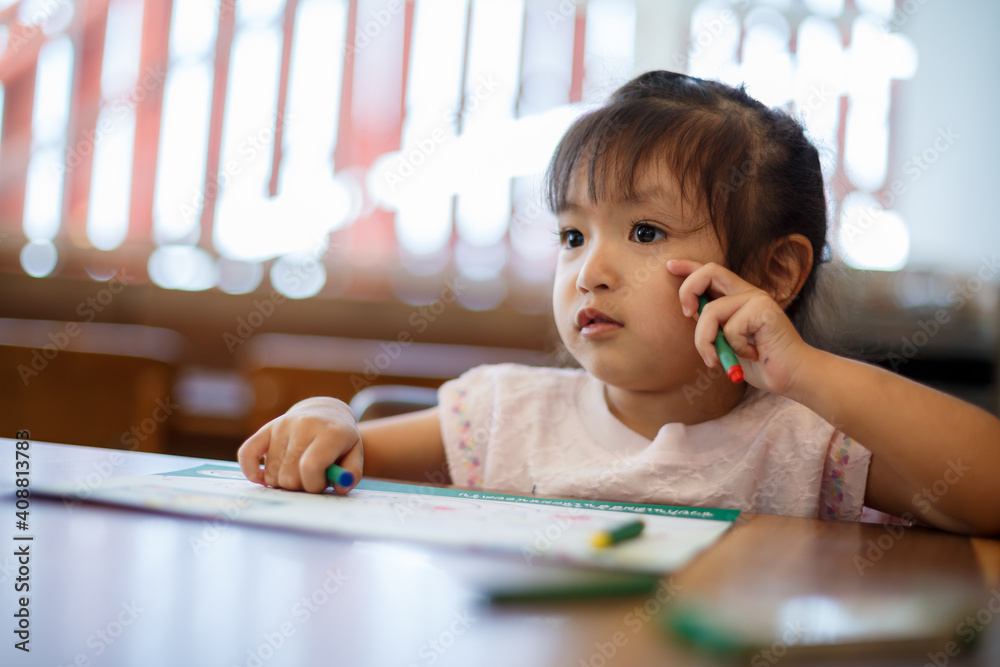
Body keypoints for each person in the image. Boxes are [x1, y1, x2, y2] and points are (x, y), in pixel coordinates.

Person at [238, 70, 1000, 535]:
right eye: (572, 234)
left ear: (774, 273)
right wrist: (330, 420)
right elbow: (356, 452)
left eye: (643, 230)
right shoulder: (509, 414)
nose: (590, 270)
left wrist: (808, 374)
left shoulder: (808, 447)